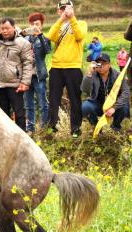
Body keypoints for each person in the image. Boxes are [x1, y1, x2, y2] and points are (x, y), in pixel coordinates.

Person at [46, 0, 87, 138]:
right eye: (62, 9)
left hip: (73, 67)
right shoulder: (58, 25)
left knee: (75, 99)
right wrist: (61, 20)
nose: (65, 11)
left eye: (67, 8)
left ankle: (75, 129)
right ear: (58, 11)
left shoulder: (81, 23)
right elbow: (50, 36)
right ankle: (52, 126)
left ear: (72, 9)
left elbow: (80, 35)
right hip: (57, 67)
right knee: (53, 99)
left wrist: (72, 18)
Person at [0, 17, 33, 131]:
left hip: (15, 84)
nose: (5, 31)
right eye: (2, 29)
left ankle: (22, 135)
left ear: (14, 27)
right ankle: (6, 137)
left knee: (19, 113)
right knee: (3, 113)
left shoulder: (23, 43)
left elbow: (28, 63)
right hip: (0, 85)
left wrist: (25, 82)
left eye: (7, 28)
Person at [81, 53, 130, 132]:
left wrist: (114, 108)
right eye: (98, 64)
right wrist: (89, 73)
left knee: (124, 106)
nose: (100, 66)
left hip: (114, 105)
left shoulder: (118, 75)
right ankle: (97, 128)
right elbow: (85, 89)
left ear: (109, 65)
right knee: (85, 106)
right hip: (98, 104)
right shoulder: (92, 74)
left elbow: (126, 93)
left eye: (103, 64)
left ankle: (116, 127)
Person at [22, 12, 51, 134]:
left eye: (37, 24)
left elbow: (47, 50)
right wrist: (20, 34)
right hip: (27, 76)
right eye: (32, 24)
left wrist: (39, 35)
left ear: (42, 25)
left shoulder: (45, 39)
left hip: (39, 75)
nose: (35, 26)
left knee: (42, 103)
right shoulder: (24, 39)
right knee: (28, 104)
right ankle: (31, 128)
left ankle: (44, 128)